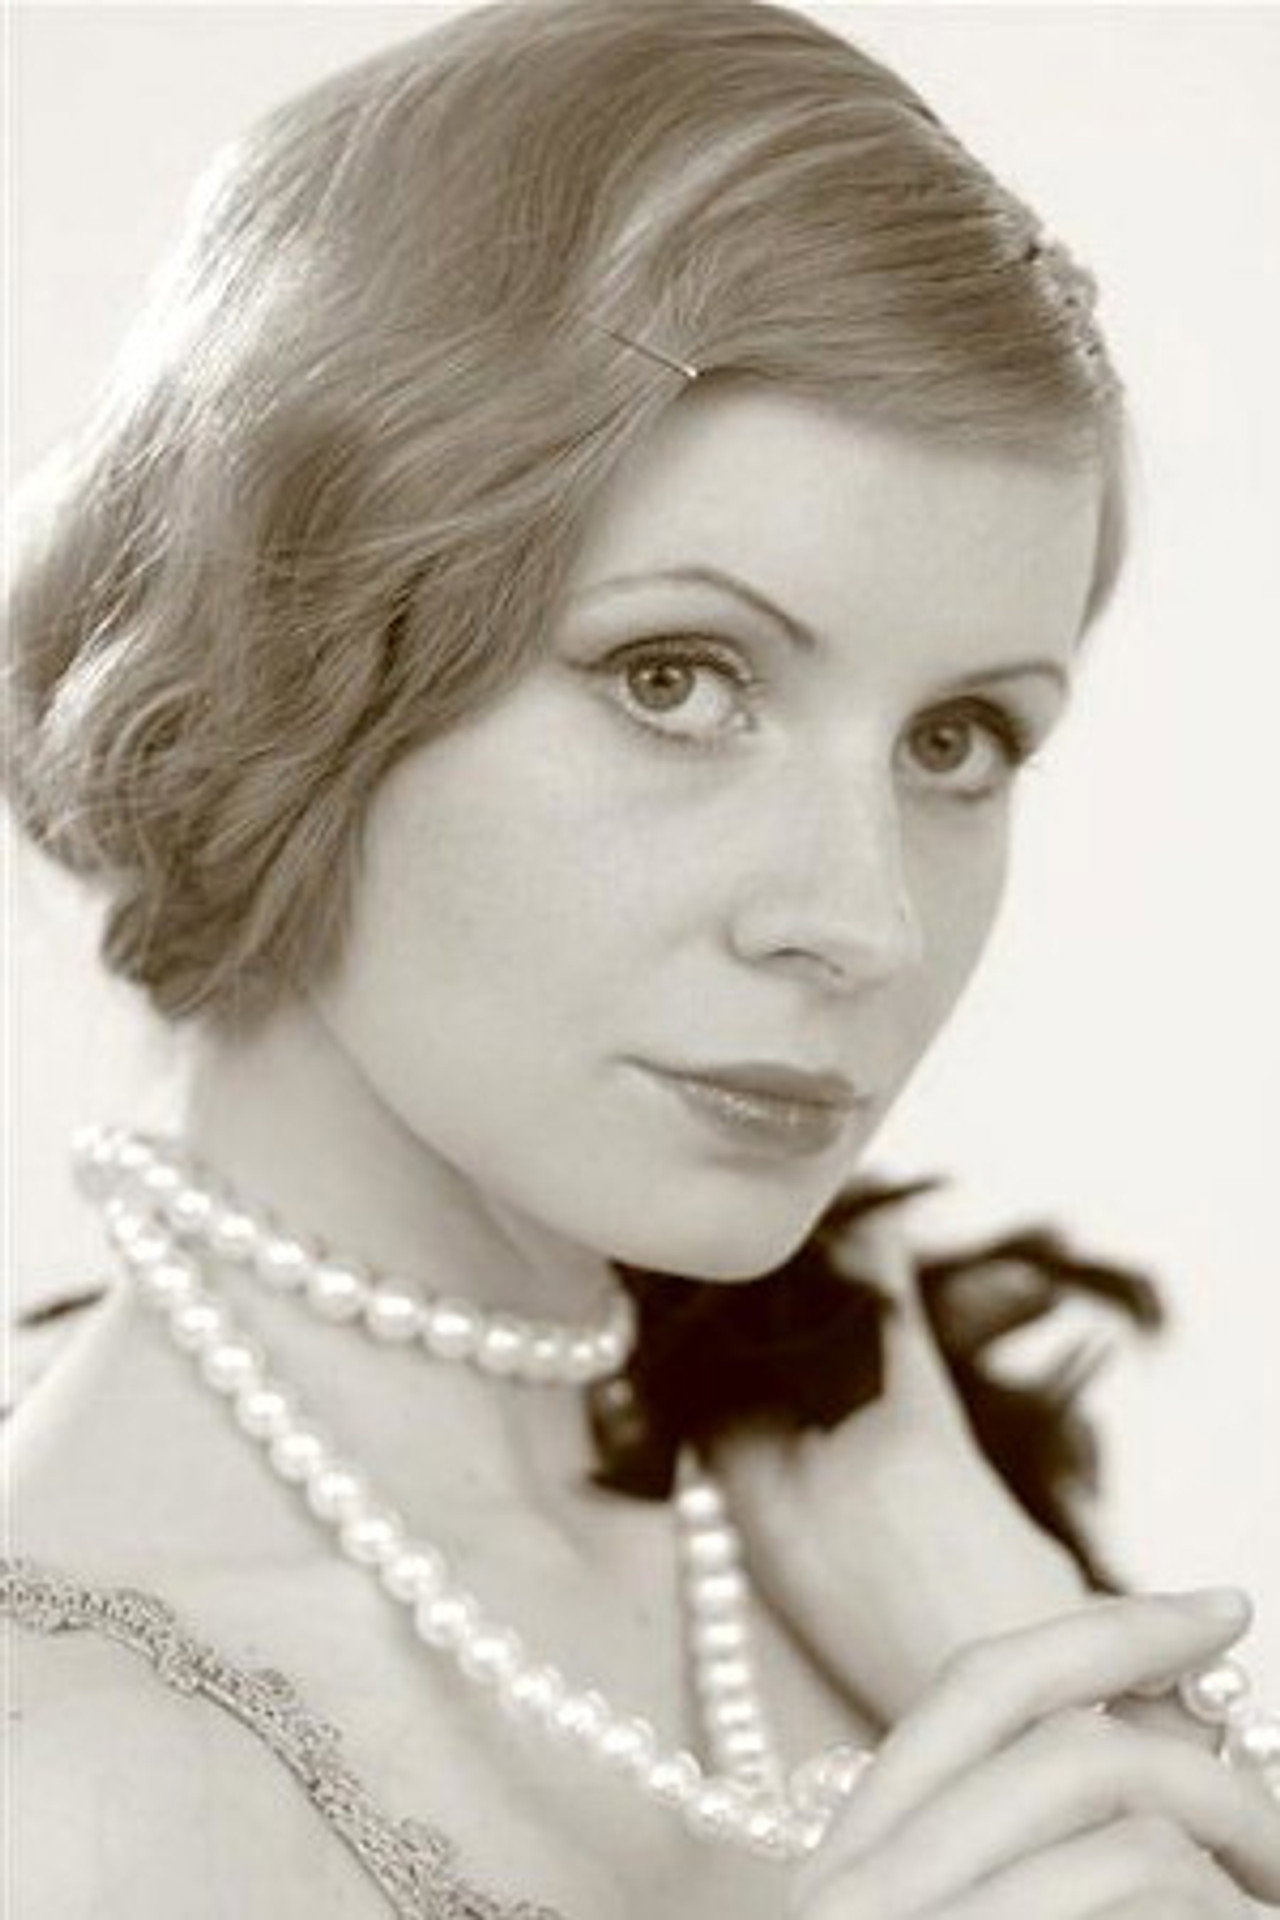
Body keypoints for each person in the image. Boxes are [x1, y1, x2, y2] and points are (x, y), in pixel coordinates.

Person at [4, 2, 1279, 1913]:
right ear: (292, 658)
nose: (862, 920)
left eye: (957, 741)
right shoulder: (64, 1780)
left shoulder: (906, 1536)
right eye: (676, 679)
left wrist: (1002, 1616)